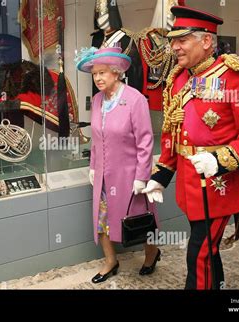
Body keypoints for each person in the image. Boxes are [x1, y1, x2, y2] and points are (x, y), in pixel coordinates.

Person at [142, 6, 239, 290]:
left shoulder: (234, 77)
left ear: (206, 41)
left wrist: (220, 160)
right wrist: (161, 175)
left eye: (182, 39)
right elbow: (173, 132)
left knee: (198, 254)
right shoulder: (178, 78)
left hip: (220, 186)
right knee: (208, 249)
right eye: (172, 40)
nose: (174, 46)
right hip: (190, 186)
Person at [76, 46, 161, 283]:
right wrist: (93, 166)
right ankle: (110, 261)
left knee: (139, 218)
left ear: (116, 72)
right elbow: (96, 138)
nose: (98, 78)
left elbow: (146, 140)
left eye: (103, 72)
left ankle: (152, 252)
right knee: (101, 219)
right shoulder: (96, 100)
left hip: (129, 174)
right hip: (103, 174)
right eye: (95, 74)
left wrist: (142, 176)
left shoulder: (135, 99)